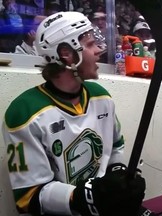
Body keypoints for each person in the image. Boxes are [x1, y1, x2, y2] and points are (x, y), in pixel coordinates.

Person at [2, 11, 145, 216]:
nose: (99, 50)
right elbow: (28, 197)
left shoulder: (101, 97)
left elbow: (115, 147)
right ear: (66, 53)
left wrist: (118, 177)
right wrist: (85, 197)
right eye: (89, 44)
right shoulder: (25, 112)